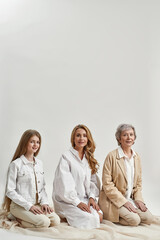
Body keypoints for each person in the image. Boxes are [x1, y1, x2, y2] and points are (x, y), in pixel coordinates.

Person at [3, 129, 60, 228]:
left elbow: (42, 188)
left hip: (36, 205)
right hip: (20, 206)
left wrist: (45, 203)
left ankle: (25, 218)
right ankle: (15, 217)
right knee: (44, 223)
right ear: (25, 143)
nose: (35, 145)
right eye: (32, 141)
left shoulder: (39, 163)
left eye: (38, 142)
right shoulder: (16, 164)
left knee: (56, 221)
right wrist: (29, 206)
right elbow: (10, 191)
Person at [98, 124, 154, 226]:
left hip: (130, 199)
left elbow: (138, 184)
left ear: (134, 138)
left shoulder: (136, 157)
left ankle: (128, 213)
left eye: (131, 135)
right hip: (114, 200)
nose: (129, 138)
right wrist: (124, 202)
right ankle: (110, 216)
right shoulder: (111, 156)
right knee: (135, 220)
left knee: (149, 219)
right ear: (119, 139)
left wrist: (138, 200)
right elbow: (107, 184)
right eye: (125, 135)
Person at [52, 124, 103, 229]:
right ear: (73, 138)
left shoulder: (88, 158)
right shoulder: (66, 157)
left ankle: (72, 216)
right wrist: (77, 202)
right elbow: (64, 184)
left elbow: (92, 181)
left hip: (84, 198)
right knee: (90, 219)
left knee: (100, 216)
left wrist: (92, 198)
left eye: (84, 135)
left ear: (88, 138)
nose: (81, 138)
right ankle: (65, 215)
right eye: (78, 135)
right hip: (67, 200)